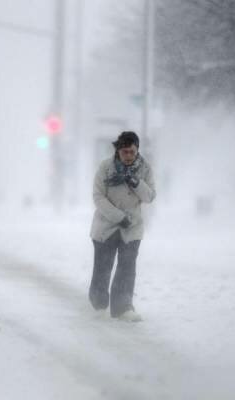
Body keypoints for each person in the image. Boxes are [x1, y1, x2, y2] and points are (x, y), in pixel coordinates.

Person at [89, 131, 156, 322]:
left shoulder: (145, 169)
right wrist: (118, 217)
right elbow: (98, 197)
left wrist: (135, 182)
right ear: (118, 151)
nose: (128, 156)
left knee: (127, 268)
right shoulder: (106, 167)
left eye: (132, 152)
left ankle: (123, 307)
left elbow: (150, 197)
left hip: (132, 228)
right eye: (124, 151)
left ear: (137, 150)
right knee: (103, 267)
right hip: (106, 226)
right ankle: (99, 304)